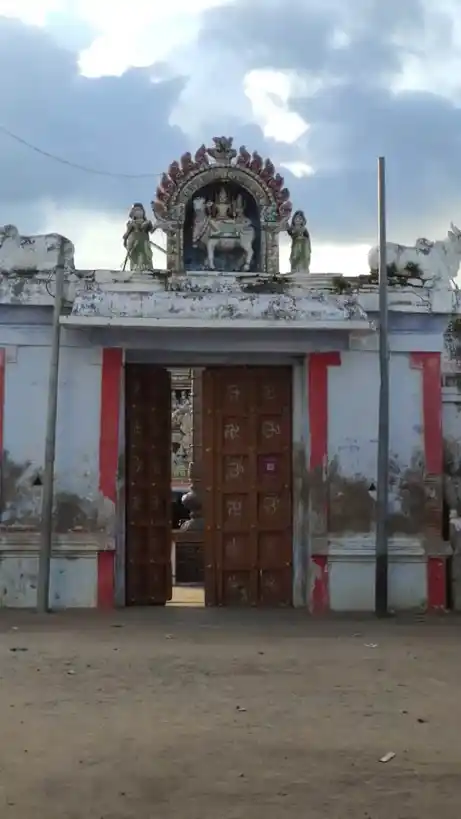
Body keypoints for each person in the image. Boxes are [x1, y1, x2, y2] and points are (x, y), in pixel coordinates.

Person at [123, 203, 154, 271]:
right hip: (134, 244)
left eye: (140, 210)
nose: (138, 212)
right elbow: (126, 234)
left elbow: (152, 230)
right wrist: (125, 241)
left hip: (144, 244)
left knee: (146, 257)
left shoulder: (147, 222)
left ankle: (147, 268)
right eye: (136, 210)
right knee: (135, 258)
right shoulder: (131, 223)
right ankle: (135, 268)